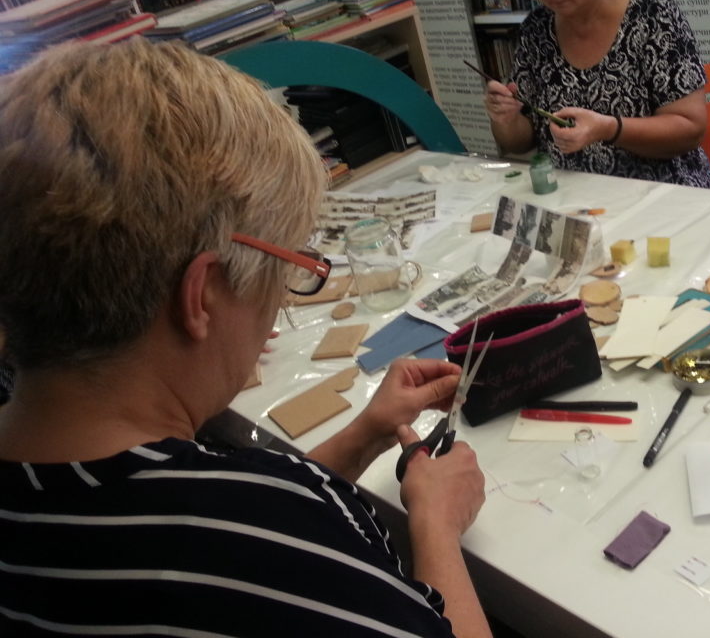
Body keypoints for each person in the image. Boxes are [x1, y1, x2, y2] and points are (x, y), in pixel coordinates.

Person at [0, 39, 492, 637]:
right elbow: (262, 536)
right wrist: (436, 528)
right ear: (203, 295)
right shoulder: (257, 543)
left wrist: (364, 433)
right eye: (284, 272)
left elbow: (252, 520)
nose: (279, 302)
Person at [484, 0, 710, 188]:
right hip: (574, 194)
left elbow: (690, 128)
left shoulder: (651, 13)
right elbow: (520, 142)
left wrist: (609, 129)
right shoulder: (537, 29)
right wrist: (506, 118)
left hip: (661, 190)